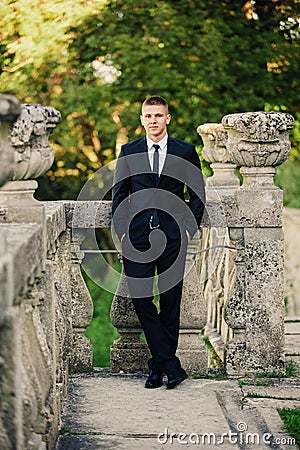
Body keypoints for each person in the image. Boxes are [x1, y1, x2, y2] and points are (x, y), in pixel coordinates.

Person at [112, 96, 205, 389]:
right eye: (148, 115)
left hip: (174, 237)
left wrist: (187, 231)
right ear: (142, 120)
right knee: (140, 299)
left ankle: (157, 369)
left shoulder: (185, 151)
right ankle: (169, 364)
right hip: (138, 238)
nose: (153, 120)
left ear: (168, 118)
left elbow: (198, 195)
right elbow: (119, 196)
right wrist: (124, 233)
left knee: (170, 301)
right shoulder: (129, 151)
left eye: (158, 115)